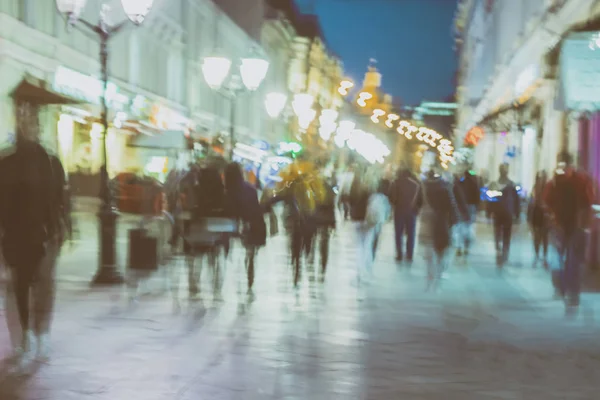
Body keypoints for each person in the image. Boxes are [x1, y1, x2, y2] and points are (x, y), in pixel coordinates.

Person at [0, 104, 71, 372]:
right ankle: (22, 337)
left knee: (44, 286)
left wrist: (62, 226)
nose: (29, 125)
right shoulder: (5, 162)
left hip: (45, 234)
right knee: (16, 286)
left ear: (39, 127)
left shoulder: (51, 162)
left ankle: (41, 334)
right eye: (24, 119)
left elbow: (61, 199)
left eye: (33, 120)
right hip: (14, 234)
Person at [543, 153, 594, 308]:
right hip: (576, 225)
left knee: (559, 258)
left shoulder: (555, 181)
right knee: (574, 260)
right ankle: (572, 292)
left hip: (561, 225)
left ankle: (561, 288)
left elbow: (546, 200)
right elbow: (590, 200)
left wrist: (551, 216)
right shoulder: (583, 180)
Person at [224, 162, 266, 293]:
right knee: (249, 249)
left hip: (233, 225)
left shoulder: (225, 191)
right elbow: (256, 210)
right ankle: (250, 263)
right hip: (250, 224)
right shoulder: (249, 189)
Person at [417, 169, 459, 290]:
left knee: (429, 253)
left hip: (427, 223)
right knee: (441, 253)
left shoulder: (424, 188)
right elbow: (453, 209)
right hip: (441, 225)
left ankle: (430, 277)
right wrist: (452, 223)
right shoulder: (445, 189)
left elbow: (417, 204)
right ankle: (438, 276)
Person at [488, 163, 521, 267]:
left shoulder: (511, 185)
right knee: (499, 233)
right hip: (501, 213)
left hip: (506, 213)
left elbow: (516, 200)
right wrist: (489, 211)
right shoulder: (497, 184)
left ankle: (504, 250)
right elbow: (491, 199)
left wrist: (517, 213)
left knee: (505, 233)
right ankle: (500, 249)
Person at [389, 164, 421, 264]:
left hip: (399, 211)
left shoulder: (396, 182)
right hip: (412, 212)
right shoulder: (416, 184)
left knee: (398, 233)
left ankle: (399, 254)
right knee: (411, 233)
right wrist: (416, 209)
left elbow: (391, 197)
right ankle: (409, 254)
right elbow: (421, 199)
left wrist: (395, 205)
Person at [455, 167, 481, 255]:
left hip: (460, 208)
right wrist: (477, 208)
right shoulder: (474, 184)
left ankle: (459, 247)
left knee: (460, 227)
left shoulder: (460, 184)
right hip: (471, 208)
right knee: (468, 227)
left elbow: (455, 196)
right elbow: (477, 197)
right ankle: (466, 247)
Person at [366, 179, 391, 266]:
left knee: (370, 235)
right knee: (376, 236)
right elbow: (388, 211)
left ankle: (369, 251)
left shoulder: (372, 196)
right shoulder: (385, 198)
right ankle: (372, 252)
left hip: (371, 219)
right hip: (379, 220)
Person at [528, 171, 550, 267]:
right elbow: (532, 202)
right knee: (537, 236)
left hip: (544, 215)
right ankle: (537, 254)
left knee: (544, 237)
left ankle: (543, 255)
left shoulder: (548, 188)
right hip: (537, 214)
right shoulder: (535, 188)